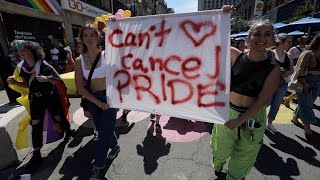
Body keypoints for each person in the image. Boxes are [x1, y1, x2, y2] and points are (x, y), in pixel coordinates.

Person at [211, 5, 281, 180]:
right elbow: (214, 41)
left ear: (273, 39)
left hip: (253, 118)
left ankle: (233, 177)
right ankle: (218, 164)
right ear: (249, 38)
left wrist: (240, 121)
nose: (261, 38)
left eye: (267, 34)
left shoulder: (274, 69)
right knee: (220, 147)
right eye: (257, 34)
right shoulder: (235, 55)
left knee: (244, 156)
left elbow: (261, 102)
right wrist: (222, 15)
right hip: (227, 112)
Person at [7, 41, 72, 168]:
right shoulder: (22, 68)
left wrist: (48, 79)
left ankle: (68, 131)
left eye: (24, 49)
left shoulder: (44, 66)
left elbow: (59, 80)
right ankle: (37, 154)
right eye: (20, 50)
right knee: (35, 124)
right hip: (35, 100)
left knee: (58, 118)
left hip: (50, 98)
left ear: (32, 51)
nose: (21, 52)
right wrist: (15, 82)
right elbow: (27, 85)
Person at [74, 23, 120, 179]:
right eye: (85, 35)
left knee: (103, 134)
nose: (89, 38)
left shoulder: (109, 54)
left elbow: (126, 48)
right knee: (102, 130)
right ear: (81, 38)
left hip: (110, 98)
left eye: (92, 34)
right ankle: (115, 147)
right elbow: (80, 88)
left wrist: (116, 24)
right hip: (93, 99)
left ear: (98, 37)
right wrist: (98, 103)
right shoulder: (79, 60)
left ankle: (98, 166)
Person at [290, 33, 320, 140]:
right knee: (306, 105)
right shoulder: (308, 53)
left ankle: (294, 118)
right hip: (306, 81)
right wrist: (304, 82)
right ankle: (307, 128)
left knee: (307, 103)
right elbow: (300, 69)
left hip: (317, 81)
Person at [267, 35, 294, 133]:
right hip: (270, 82)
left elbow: (292, 69)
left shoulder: (288, 55)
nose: (291, 44)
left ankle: (270, 123)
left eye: (291, 42)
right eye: (289, 42)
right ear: (281, 42)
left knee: (276, 104)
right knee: (265, 102)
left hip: (282, 83)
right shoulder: (270, 53)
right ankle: (256, 119)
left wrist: (287, 72)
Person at [284, 35, 309, 108]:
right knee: (299, 88)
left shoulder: (308, 48)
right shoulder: (293, 49)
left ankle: (288, 99)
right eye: (304, 39)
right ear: (300, 40)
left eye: (306, 39)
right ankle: (288, 98)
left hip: (306, 71)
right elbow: (288, 59)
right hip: (296, 70)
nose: (305, 40)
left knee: (300, 89)